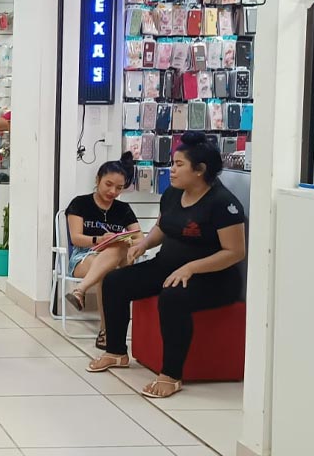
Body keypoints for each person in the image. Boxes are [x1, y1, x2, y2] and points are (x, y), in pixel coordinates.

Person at [87, 131, 246, 399]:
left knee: (172, 298)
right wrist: (143, 245)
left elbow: (235, 252)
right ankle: (116, 352)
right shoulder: (173, 193)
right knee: (116, 281)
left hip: (212, 278)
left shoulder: (223, 203)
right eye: (173, 163)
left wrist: (192, 268)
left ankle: (171, 375)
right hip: (168, 266)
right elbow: (163, 225)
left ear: (200, 170)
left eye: (179, 164)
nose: (171, 169)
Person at [63, 153, 142, 350]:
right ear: (97, 180)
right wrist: (100, 240)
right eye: (108, 184)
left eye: (119, 188)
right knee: (109, 273)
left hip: (119, 259)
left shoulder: (123, 209)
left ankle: (80, 290)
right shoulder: (80, 203)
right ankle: (107, 331)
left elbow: (139, 238)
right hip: (84, 256)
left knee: (117, 250)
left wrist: (126, 242)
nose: (113, 191)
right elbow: (76, 238)